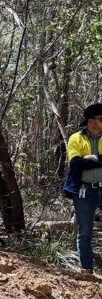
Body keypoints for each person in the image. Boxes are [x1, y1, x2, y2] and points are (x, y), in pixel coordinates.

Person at [63, 102, 102, 274]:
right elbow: (76, 164)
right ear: (91, 121)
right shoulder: (75, 138)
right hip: (84, 190)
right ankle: (86, 270)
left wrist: (93, 157)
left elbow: (84, 162)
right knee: (85, 231)